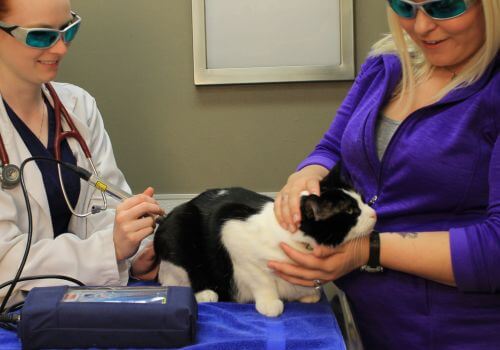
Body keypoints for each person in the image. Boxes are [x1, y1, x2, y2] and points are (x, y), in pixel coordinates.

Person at [270, 0, 500, 348]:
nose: (421, 27)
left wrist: (368, 249)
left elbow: (495, 249)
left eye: (444, 6)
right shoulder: (388, 64)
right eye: (405, 8)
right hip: (371, 322)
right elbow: (332, 147)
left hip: (461, 332)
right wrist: (306, 174)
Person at [0, 0, 163, 306]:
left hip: (81, 303)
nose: (61, 49)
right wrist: (110, 250)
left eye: (69, 30)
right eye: (40, 35)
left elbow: (106, 210)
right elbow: (6, 265)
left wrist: (136, 253)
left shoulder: (78, 107)